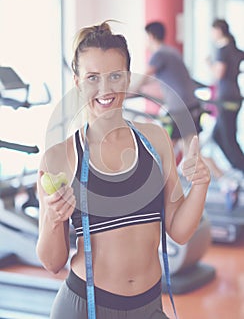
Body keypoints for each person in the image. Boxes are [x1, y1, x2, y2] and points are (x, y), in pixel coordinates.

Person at [36, 21, 210, 319]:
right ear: (78, 82)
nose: (105, 89)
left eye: (115, 76)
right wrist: (53, 219)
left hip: (149, 306)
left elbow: (179, 232)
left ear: (128, 79)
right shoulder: (59, 158)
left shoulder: (155, 140)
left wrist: (201, 185)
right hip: (85, 308)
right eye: (92, 77)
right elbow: (52, 263)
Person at [130, 21, 202, 159]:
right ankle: (198, 175)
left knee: (169, 144)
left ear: (150, 36)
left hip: (180, 107)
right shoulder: (171, 51)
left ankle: (161, 176)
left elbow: (144, 78)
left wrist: (128, 92)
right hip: (190, 103)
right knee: (188, 146)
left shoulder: (159, 54)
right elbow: (157, 78)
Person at [207, 18, 244, 173]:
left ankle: (241, 168)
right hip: (234, 96)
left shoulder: (223, 50)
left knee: (228, 138)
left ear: (219, 31)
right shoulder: (235, 49)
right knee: (218, 135)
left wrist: (209, 63)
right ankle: (237, 167)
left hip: (227, 99)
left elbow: (219, 73)